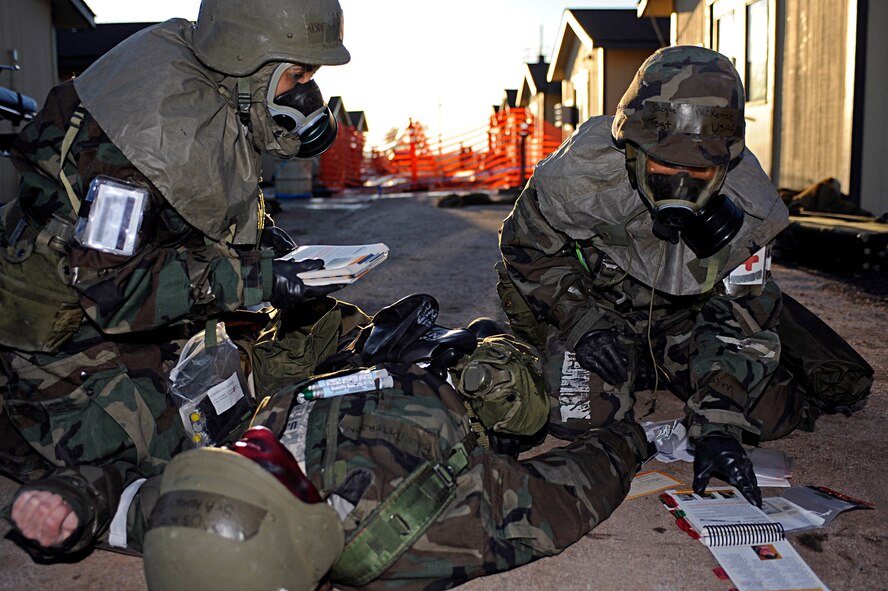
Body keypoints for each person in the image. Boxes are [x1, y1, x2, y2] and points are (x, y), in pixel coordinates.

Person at [1, 0, 362, 556]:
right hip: (53, 332)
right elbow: (110, 290)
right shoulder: (137, 139)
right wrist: (259, 278)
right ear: (248, 60)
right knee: (192, 460)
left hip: (102, 298)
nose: (305, 95)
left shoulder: (200, 77)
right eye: (297, 74)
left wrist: (267, 249)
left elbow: (187, 214)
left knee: (235, 372)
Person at [495, 45, 847, 508]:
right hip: (600, 314)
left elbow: (739, 318)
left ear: (725, 164)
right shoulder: (576, 179)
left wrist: (718, 423)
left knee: (769, 415)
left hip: (686, 322)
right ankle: (630, 362)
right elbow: (525, 252)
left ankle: (655, 366)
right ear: (633, 147)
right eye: (664, 164)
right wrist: (581, 321)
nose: (680, 183)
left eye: (698, 170)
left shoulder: (753, 211)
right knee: (577, 419)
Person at [141, 361, 650, 591]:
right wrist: (627, 440)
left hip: (399, 381)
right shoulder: (396, 537)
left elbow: (563, 500)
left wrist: (628, 440)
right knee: (517, 393)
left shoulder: (403, 540)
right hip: (424, 390)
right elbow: (565, 497)